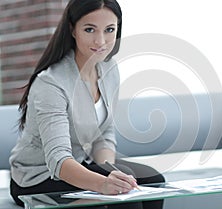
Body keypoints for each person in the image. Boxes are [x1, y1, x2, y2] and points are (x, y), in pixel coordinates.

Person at [9, 0, 165, 208]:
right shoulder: (51, 82)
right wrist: (103, 183)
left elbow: (105, 132)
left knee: (154, 181)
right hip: (38, 178)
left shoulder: (109, 68)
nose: (101, 41)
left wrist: (110, 170)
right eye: (90, 29)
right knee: (124, 194)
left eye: (109, 30)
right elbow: (58, 159)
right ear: (73, 30)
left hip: (81, 164)